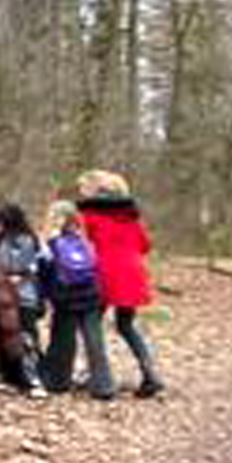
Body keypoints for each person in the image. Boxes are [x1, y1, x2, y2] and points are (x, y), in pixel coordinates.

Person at [76, 170, 164, 397]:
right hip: (132, 275)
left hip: (104, 275)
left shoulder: (89, 216)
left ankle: (100, 380)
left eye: (84, 188)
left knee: (91, 323)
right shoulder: (131, 216)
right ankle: (151, 373)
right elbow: (145, 245)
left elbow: (81, 247)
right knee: (126, 326)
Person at [37, 200, 115, 401]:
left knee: (63, 340)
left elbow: (44, 270)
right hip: (91, 295)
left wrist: (45, 296)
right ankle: (104, 386)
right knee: (94, 342)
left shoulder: (49, 242)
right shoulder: (85, 238)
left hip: (65, 297)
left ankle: (58, 382)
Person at [0, 203, 46, 395]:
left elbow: (17, 265)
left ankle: (33, 379)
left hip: (21, 297)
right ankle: (11, 377)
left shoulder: (22, 240)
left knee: (25, 339)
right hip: (1, 296)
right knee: (5, 339)